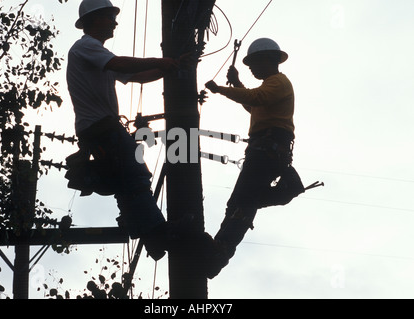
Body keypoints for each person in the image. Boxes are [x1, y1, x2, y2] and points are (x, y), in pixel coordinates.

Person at [66, 0, 189, 261]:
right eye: (110, 17)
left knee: (126, 182)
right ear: (95, 19)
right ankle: (158, 231)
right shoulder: (86, 47)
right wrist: (163, 61)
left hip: (99, 130)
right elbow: (123, 65)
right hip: (101, 129)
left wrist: (170, 65)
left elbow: (138, 75)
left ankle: (151, 237)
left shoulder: (98, 58)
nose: (115, 22)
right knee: (135, 177)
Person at [203, 38, 305, 278]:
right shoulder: (272, 86)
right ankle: (219, 251)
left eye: (254, 64)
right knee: (243, 202)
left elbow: (255, 99)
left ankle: (220, 251)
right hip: (266, 151)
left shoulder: (278, 82)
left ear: (268, 60)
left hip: (265, 152)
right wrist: (237, 83)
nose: (251, 68)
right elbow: (255, 105)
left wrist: (221, 89)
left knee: (241, 203)